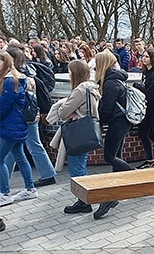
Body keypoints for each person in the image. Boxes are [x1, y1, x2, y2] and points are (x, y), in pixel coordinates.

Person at [4, 47, 57, 188]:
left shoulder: (16, 77)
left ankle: (47, 175)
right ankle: (47, 174)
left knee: (27, 146)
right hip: (31, 116)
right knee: (18, 149)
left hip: (22, 117)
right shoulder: (28, 73)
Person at [94, 50, 133, 219]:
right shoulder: (116, 78)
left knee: (109, 156)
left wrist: (98, 120)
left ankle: (135, 177)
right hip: (122, 121)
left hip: (118, 122)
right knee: (117, 155)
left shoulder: (110, 83)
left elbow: (106, 109)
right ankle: (114, 195)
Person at [60, 61, 102, 214]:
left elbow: (63, 112)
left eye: (70, 71)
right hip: (86, 131)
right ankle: (85, 199)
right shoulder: (91, 88)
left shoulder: (79, 90)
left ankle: (86, 200)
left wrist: (65, 108)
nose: (68, 74)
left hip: (77, 132)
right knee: (80, 164)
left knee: (77, 167)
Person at [0, 51, 38, 205]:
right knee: (20, 157)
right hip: (14, 124)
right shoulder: (14, 78)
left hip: (10, 125)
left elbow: (3, 105)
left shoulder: (10, 81)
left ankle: (5, 193)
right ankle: (30, 188)